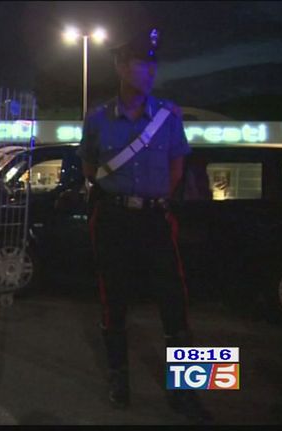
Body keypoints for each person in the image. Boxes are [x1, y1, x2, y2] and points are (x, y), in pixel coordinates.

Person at [77, 27, 212, 422]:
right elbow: (89, 166)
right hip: (113, 218)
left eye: (153, 65)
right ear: (121, 66)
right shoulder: (97, 118)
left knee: (175, 303)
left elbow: (177, 167)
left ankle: (188, 391)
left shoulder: (169, 116)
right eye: (141, 64)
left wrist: (153, 198)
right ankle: (119, 378)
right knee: (113, 299)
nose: (150, 72)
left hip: (156, 218)